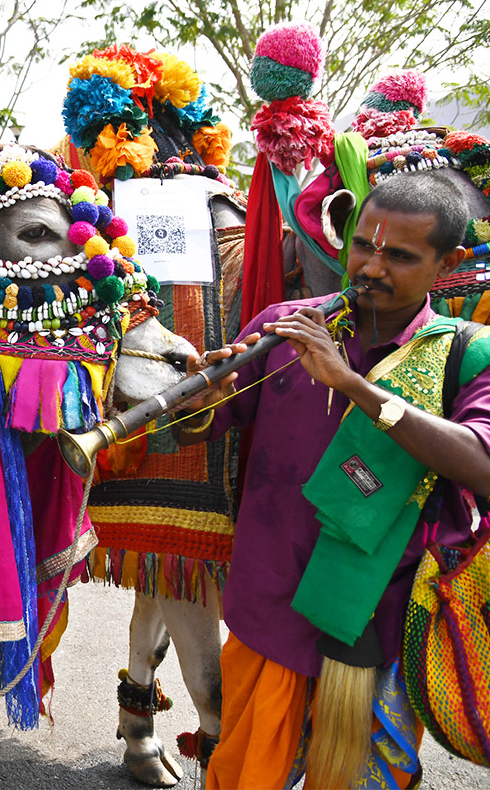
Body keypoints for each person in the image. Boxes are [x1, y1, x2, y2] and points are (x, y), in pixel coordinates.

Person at [176, 169, 490, 789]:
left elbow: (481, 462)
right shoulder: (287, 323)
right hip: (270, 610)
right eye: (362, 247)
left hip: (387, 625)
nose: (371, 267)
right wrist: (197, 401)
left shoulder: (468, 352)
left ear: (448, 261)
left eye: (398, 255)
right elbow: (205, 428)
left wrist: (352, 386)